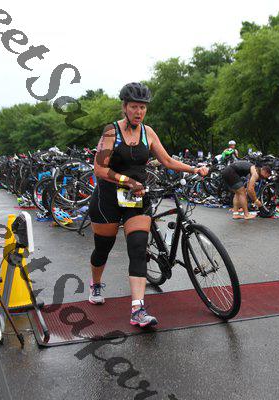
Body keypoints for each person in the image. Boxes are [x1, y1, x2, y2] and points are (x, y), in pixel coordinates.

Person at [87, 82, 208, 327]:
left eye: (142, 107)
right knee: (103, 248)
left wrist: (194, 168)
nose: (139, 112)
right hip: (108, 198)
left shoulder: (148, 132)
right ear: (124, 107)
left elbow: (167, 160)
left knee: (138, 248)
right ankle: (96, 284)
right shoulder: (111, 132)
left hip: (136, 198)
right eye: (134, 107)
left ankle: (138, 309)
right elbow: (99, 169)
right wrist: (127, 181)